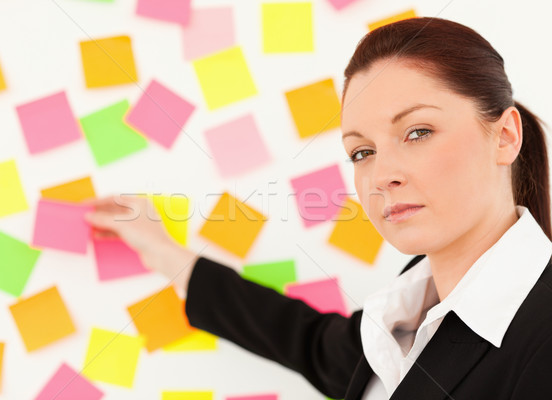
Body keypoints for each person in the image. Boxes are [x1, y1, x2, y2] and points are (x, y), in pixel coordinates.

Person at [84, 17, 552, 400]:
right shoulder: (410, 310)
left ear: (506, 135)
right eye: (361, 151)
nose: (382, 173)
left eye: (418, 132)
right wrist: (165, 253)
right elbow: (308, 341)